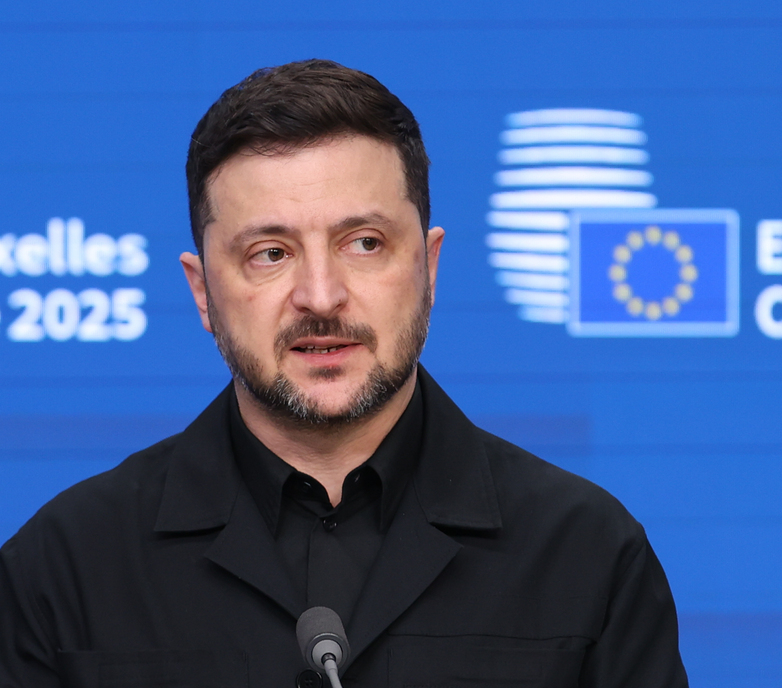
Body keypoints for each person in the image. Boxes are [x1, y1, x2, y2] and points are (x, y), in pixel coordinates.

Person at [0, 60, 688, 688]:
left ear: (429, 268)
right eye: (270, 253)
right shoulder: (65, 566)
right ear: (203, 292)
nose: (321, 296)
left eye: (364, 243)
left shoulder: (585, 552)